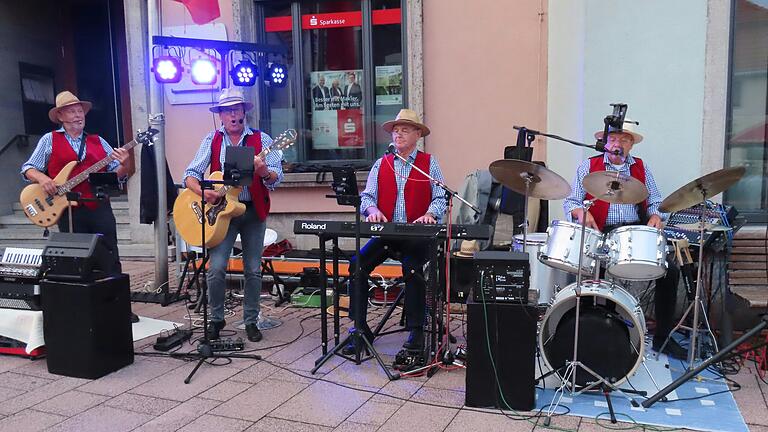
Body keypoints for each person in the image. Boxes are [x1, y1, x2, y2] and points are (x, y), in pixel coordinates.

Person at [563, 121, 686, 359]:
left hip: (634, 230)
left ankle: (662, 338)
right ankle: (590, 334)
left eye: (623, 139)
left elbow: (656, 200)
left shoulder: (640, 167)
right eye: (613, 139)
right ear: (605, 142)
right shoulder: (589, 166)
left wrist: (656, 216)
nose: (617, 144)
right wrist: (582, 212)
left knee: (670, 271)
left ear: (631, 144)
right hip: (601, 231)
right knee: (584, 270)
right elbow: (571, 201)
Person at [183, 88, 283, 342]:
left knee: (252, 270)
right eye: (228, 111)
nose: (233, 115)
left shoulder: (263, 140)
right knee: (215, 269)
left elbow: (276, 178)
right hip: (221, 215)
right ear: (221, 115)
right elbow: (190, 174)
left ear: (244, 112)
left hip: (252, 212)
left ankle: (251, 320)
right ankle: (216, 319)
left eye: (237, 110)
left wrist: (261, 172)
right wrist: (204, 193)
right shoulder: (212, 140)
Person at [344, 108, 446, 355]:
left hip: (417, 236)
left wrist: (430, 214)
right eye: (395, 131)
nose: (398, 135)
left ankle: (416, 330)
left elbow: (441, 196)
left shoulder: (429, 163)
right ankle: (360, 329)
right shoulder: (382, 163)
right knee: (357, 264)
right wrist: (372, 210)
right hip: (387, 235)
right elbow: (366, 196)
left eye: (405, 130)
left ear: (417, 134)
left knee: (412, 269)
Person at [21, 90, 130, 273]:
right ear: (61, 116)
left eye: (80, 111)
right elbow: (28, 168)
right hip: (67, 209)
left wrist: (125, 164)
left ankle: (110, 292)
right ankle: (81, 295)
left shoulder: (98, 141)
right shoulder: (50, 139)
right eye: (72, 111)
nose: (78, 115)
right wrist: (43, 178)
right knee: (76, 256)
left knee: (108, 251)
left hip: (98, 205)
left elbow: (116, 173)